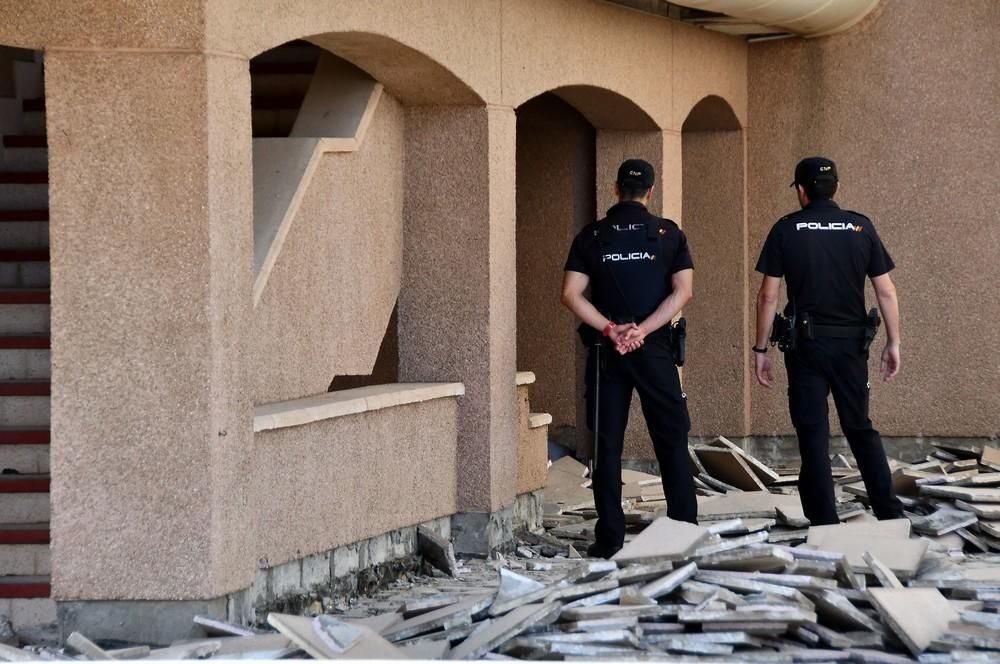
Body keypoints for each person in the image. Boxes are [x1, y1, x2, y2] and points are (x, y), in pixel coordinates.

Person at [752, 156, 904, 525]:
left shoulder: (786, 229)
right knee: (859, 428)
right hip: (852, 348)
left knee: (813, 433)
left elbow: (768, 297)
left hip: (806, 348)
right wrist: (893, 342)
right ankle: (890, 514)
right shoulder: (860, 227)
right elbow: (885, 290)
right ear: (835, 187)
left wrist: (760, 350)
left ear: (801, 191)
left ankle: (824, 523)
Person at [561, 158, 698, 558]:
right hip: (653, 348)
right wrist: (644, 330)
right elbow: (683, 291)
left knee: (607, 444)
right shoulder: (667, 234)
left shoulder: (592, 236)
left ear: (615, 189)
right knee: (671, 438)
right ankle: (683, 530)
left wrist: (610, 329)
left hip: (608, 352)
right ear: (651, 192)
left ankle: (610, 540)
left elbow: (570, 294)